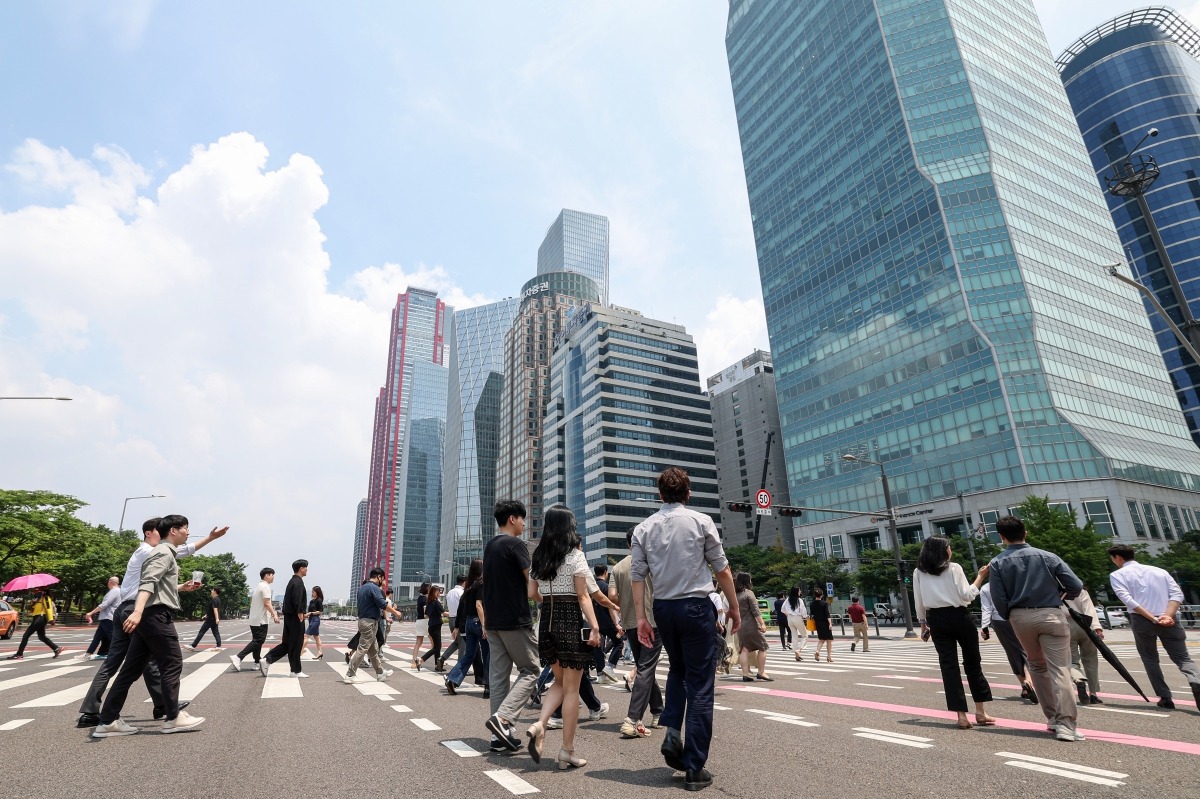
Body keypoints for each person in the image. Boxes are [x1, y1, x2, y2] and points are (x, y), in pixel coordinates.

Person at [632, 467, 740, 793]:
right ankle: (694, 767)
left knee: (677, 670)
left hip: (664, 609)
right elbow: (721, 568)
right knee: (701, 684)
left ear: (660, 494)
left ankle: (672, 733)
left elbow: (638, 577)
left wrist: (641, 618)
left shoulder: (643, 528)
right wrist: (733, 606)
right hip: (696, 607)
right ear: (688, 492)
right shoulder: (701, 521)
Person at [77, 517, 225, 728]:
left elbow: (158, 583)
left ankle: (107, 715)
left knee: (137, 663)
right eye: (160, 531)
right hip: (137, 609)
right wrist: (138, 611)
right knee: (163, 662)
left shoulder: (156, 551)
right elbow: (152, 580)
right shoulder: (152, 551)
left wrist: (181, 586)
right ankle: (167, 711)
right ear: (150, 533)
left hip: (132, 608)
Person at [989, 515, 1084, 742]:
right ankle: (1066, 725)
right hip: (1050, 613)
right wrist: (1060, 596)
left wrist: (1010, 615)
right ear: (1026, 532)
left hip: (1020, 617)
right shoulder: (1048, 557)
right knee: (1060, 668)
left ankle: (1051, 717)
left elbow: (998, 597)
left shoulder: (997, 562)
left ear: (1002, 537)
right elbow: (1076, 586)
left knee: (1036, 666)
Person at [522, 505, 602, 770]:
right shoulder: (575, 556)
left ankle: (540, 723)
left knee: (558, 680)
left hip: (546, 622)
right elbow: (583, 596)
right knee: (572, 689)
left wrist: (550, 600)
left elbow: (532, 594)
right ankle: (567, 751)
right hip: (569, 622)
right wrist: (595, 626)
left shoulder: (539, 557)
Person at [912, 536, 994, 729]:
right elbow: (967, 595)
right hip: (959, 616)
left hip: (936, 619)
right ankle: (981, 712)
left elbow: (919, 600)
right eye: (949, 547)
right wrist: (981, 576)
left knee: (949, 666)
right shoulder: (954, 568)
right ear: (942, 550)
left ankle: (961, 716)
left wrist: (923, 624)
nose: (951, 550)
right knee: (973, 662)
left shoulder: (919, 572)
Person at [1107, 543, 1200, 710]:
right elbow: (1177, 594)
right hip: (1169, 619)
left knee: (1150, 659)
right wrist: (1167, 616)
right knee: (1183, 658)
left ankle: (1165, 697)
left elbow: (1128, 600)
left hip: (1142, 621)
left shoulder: (1117, 575)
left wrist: (1153, 619)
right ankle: (1195, 679)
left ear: (1118, 557)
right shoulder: (1159, 571)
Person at [482, 499, 540, 753]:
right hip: (514, 619)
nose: (525, 524)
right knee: (531, 670)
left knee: (498, 678)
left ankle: (499, 737)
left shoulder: (491, 545)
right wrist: (545, 599)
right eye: (522, 519)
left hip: (493, 621)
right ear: (512, 519)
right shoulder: (516, 545)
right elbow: (531, 583)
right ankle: (503, 718)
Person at [611, 530, 663, 738]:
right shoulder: (651, 561)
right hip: (652, 621)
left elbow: (612, 595)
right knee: (645, 668)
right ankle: (632, 719)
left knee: (644, 666)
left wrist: (625, 605)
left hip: (631, 622)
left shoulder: (617, 567)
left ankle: (659, 712)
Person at [979, 583, 1036, 703]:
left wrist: (984, 627)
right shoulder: (1013, 581)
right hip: (1018, 618)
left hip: (999, 622)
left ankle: (1024, 687)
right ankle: (1029, 681)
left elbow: (986, 608)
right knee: (1027, 650)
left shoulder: (986, 588)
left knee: (1012, 653)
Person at [446, 559, 488, 695]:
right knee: (487, 654)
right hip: (478, 622)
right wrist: (484, 626)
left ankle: (452, 679)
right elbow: (479, 605)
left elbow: (460, 608)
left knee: (469, 654)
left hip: (468, 623)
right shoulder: (481, 584)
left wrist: (457, 627)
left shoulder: (468, 587)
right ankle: (488, 686)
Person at [261, 559, 309, 678]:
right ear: (301, 568)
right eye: (306, 568)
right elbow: (296, 599)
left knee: (288, 644)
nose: (307, 570)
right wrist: (300, 612)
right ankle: (296, 671)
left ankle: (268, 660)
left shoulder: (292, 581)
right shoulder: (298, 582)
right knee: (297, 643)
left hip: (289, 616)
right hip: (295, 616)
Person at [345, 567, 393, 684]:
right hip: (369, 622)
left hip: (364, 620)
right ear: (379, 577)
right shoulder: (374, 588)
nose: (383, 581)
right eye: (383, 578)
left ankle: (380, 673)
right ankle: (350, 675)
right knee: (362, 649)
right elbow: (382, 604)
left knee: (373, 650)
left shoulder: (362, 588)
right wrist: (395, 612)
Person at [232, 567, 279, 672]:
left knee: (257, 641)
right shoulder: (266, 587)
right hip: (260, 620)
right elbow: (267, 603)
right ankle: (239, 657)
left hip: (254, 619)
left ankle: (257, 662)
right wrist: (274, 614)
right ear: (267, 575)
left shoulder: (259, 586)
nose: (273, 578)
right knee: (258, 641)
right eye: (272, 575)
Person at [1064, 587, 1103, 705]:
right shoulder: (1080, 589)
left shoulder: (1054, 589)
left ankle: (1079, 679)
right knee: (1091, 660)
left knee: (1071, 660)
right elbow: (1089, 609)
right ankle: (1093, 694)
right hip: (1086, 623)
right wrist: (1097, 627)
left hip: (1066, 624)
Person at [734, 572, 772, 682]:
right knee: (763, 647)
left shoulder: (735, 594)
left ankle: (745, 674)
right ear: (747, 581)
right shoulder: (749, 593)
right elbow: (755, 611)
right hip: (751, 625)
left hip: (740, 626)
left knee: (744, 649)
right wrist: (762, 624)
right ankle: (761, 672)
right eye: (750, 580)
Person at [10, 588, 62, 660]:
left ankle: (19, 654)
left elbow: (49, 608)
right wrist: (32, 604)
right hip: (37, 618)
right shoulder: (37, 599)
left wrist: (51, 619)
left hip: (41, 618)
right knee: (41, 637)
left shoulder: (46, 598)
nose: (34, 592)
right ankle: (56, 648)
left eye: (36, 590)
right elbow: (32, 609)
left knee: (26, 635)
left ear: (43, 591)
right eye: (34, 590)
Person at [592, 564, 622, 683]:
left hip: (594, 622)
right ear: (605, 572)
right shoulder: (606, 587)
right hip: (607, 621)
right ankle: (609, 666)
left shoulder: (592, 586)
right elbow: (610, 606)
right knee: (619, 642)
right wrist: (617, 623)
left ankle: (600, 674)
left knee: (598, 647)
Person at [80, 577, 121, 660]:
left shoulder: (114, 591)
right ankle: (88, 654)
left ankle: (121, 653)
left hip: (108, 617)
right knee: (98, 636)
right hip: (108, 617)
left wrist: (91, 613)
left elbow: (104, 604)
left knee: (112, 637)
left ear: (110, 582)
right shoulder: (119, 591)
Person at [437, 574, 467, 672]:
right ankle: (459, 668)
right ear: (464, 582)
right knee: (463, 644)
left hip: (451, 619)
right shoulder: (462, 592)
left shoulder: (450, 592)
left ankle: (442, 658)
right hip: (460, 619)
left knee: (458, 642)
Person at [417, 584, 444, 668]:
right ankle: (421, 660)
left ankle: (437, 665)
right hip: (436, 626)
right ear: (435, 592)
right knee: (437, 647)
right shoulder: (436, 602)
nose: (439, 593)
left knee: (437, 646)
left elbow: (426, 615)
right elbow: (443, 613)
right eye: (438, 591)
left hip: (431, 626)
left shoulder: (430, 602)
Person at [781, 586, 808, 661]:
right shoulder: (799, 600)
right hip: (797, 618)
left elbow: (782, 609)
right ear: (797, 592)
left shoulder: (787, 600)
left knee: (794, 636)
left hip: (789, 618)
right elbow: (803, 611)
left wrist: (788, 615)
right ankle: (798, 650)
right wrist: (805, 617)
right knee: (805, 635)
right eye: (799, 591)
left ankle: (796, 655)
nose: (800, 592)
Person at [809, 588, 833, 662]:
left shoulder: (812, 604)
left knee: (821, 639)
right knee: (829, 640)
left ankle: (817, 651)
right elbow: (827, 614)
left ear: (815, 595)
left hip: (818, 623)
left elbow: (812, 614)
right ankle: (829, 656)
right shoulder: (824, 603)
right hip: (825, 623)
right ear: (821, 595)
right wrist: (830, 623)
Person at [411, 581, 431, 670]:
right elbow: (426, 612)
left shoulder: (419, 598)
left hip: (419, 621)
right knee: (434, 643)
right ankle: (438, 661)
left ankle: (413, 662)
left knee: (418, 643)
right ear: (427, 589)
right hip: (426, 621)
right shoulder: (426, 599)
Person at [303, 586, 324, 660]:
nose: (312, 593)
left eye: (313, 592)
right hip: (311, 619)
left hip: (315, 620)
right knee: (316, 637)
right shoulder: (311, 601)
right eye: (312, 592)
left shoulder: (319, 600)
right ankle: (319, 652)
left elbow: (320, 611)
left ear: (317, 592)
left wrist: (310, 613)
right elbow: (308, 612)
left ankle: (300, 651)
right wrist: (306, 615)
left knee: (306, 636)